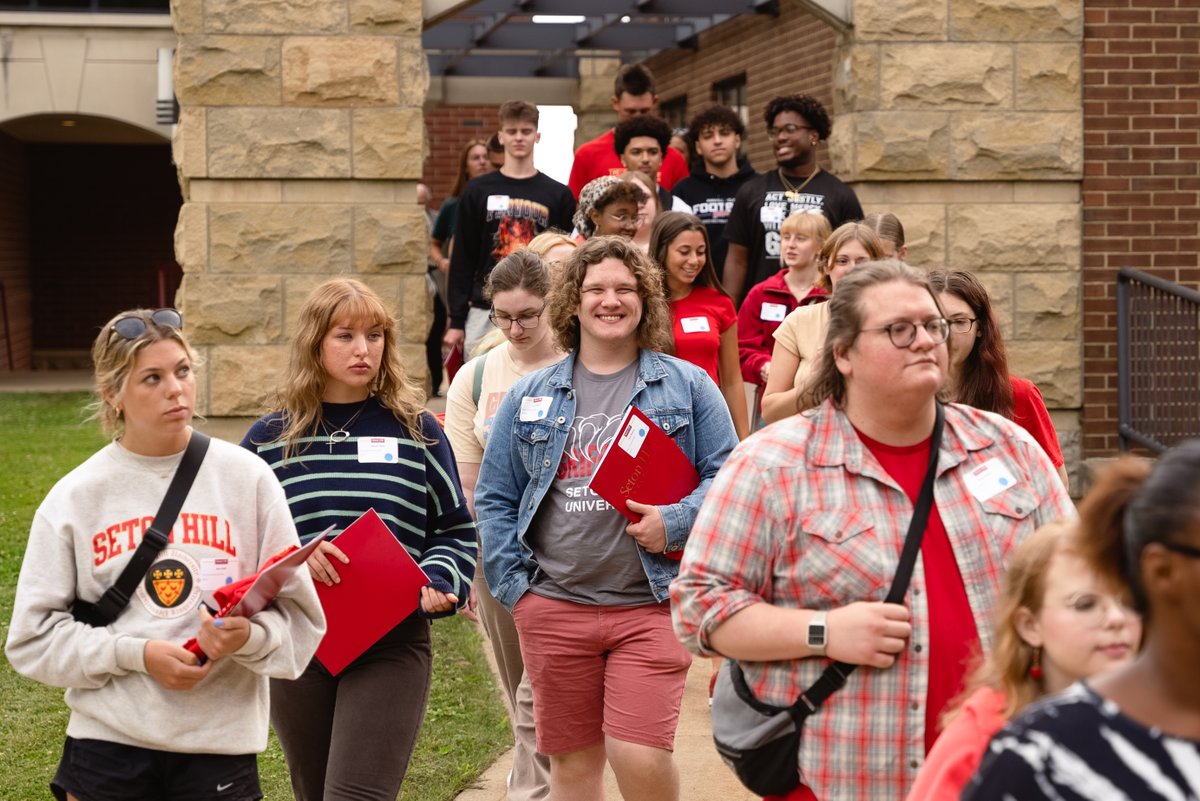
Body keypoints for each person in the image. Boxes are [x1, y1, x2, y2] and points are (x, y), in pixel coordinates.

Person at [672, 260, 1075, 801]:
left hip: (997, 772)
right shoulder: (770, 466)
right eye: (898, 330)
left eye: (933, 325)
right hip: (842, 776)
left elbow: (1078, 579)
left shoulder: (1008, 449)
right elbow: (700, 608)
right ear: (843, 354)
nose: (926, 341)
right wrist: (825, 631)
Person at [5, 307, 326, 801]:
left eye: (182, 371)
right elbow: (32, 641)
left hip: (218, 747)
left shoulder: (248, 481)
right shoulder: (76, 498)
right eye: (151, 378)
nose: (175, 389)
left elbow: (302, 626)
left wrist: (245, 637)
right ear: (112, 394)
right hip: (107, 747)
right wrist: (137, 654)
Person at [475, 236, 739, 801]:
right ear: (573, 302)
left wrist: (674, 519)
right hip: (555, 605)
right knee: (572, 768)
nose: (610, 300)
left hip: (649, 605)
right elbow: (495, 497)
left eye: (624, 287)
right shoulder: (531, 394)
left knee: (638, 755)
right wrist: (518, 592)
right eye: (596, 288)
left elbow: (730, 479)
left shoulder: (688, 386)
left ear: (645, 298)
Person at [241, 278, 476, 801]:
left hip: (390, 642)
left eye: (375, 335)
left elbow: (455, 530)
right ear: (314, 343)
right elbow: (239, 544)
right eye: (345, 335)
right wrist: (294, 557)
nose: (363, 349)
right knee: (313, 792)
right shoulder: (268, 440)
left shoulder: (417, 431)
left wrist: (440, 578)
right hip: (299, 641)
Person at [964, 442, 1200, 800]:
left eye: (1121, 603)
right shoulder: (1037, 756)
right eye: (1085, 604)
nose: (1114, 620)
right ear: (1162, 571)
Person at [905, 517, 1140, 801]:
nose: (1116, 619)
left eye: (1130, 601)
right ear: (1030, 626)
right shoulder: (983, 739)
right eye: (1086, 604)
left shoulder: (1167, 721)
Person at [444, 251, 565, 801]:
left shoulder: (581, 361)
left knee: (541, 685)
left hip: (573, 550)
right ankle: (547, 778)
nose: (514, 329)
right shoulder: (475, 377)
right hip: (500, 553)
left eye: (528, 315)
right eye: (502, 316)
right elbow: (468, 488)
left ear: (552, 306)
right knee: (521, 677)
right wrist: (474, 566)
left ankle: (532, 789)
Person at [445, 101, 576, 358]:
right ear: (501, 136)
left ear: (537, 136)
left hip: (541, 307)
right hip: (484, 308)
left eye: (526, 131)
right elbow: (462, 256)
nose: (519, 138)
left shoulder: (558, 194)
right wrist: (456, 319)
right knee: (483, 384)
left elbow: (567, 257)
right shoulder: (477, 190)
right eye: (512, 131)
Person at [928, 269, 1069, 488]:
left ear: (980, 328)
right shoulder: (905, 398)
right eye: (935, 323)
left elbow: (1056, 484)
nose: (947, 335)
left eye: (959, 322)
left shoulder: (1019, 395)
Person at [722, 94, 864, 301]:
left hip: (820, 305)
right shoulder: (751, 191)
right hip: (762, 309)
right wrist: (728, 315)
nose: (780, 138)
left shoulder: (840, 194)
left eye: (789, 129)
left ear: (813, 136)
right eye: (775, 132)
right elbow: (737, 260)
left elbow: (856, 256)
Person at [759, 221, 885, 423]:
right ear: (826, 266)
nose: (852, 270)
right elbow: (770, 411)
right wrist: (815, 383)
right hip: (810, 444)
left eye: (862, 262)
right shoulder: (799, 321)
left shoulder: (896, 323)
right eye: (842, 261)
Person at [650, 211, 749, 440]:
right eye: (684, 252)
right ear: (662, 251)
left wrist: (743, 440)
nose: (694, 260)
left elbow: (732, 380)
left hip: (708, 419)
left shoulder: (720, 303)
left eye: (701, 252)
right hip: (655, 421)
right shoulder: (641, 304)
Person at [738, 209, 832, 423]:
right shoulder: (761, 293)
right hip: (774, 405)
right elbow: (742, 347)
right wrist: (762, 365)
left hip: (820, 406)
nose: (790, 245)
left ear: (821, 246)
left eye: (801, 238)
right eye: (786, 237)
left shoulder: (830, 296)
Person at [567, 63, 689, 198]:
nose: (637, 118)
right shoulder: (587, 155)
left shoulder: (674, 158)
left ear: (655, 102)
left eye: (644, 111)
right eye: (630, 111)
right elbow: (576, 209)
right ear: (615, 103)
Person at [672, 105, 756, 278]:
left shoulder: (757, 186)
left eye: (724, 133)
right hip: (699, 287)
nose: (717, 141)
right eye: (708, 136)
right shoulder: (682, 191)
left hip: (753, 288)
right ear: (698, 147)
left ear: (738, 140)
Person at [430, 139, 493, 275]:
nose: (482, 162)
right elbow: (434, 243)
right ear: (465, 166)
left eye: (486, 157)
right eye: (476, 158)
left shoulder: (503, 202)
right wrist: (442, 262)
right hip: (463, 284)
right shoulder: (453, 204)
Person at [613, 115, 691, 214]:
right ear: (623, 158)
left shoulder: (678, 208)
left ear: (661, 158)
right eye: (636, 152)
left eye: (653, 152)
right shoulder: (607, 204)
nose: (645, 159)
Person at [572, 175, 645, 241]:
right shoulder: (573, 253)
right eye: (622, 217)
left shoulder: (635, 254)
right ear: (596, 217)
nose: (631, 227)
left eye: (634, 218)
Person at [623, 170, 662, 253]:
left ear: (656, 202)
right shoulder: (607, 248)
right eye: (632, 198)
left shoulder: (672, 242)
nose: (640, 205)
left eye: (645, 197)